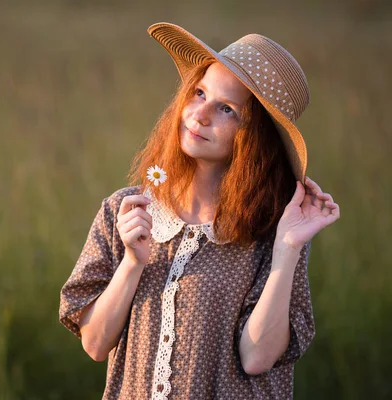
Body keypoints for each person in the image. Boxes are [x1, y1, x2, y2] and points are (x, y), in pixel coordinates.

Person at [59, 22, 340, 399]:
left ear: (255, 138)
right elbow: (94, 345)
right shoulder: (125, 211)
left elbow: (257, 357)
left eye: (226, 109)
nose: (200, 114)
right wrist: (132, 262)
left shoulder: (272, 232)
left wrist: (287, 249)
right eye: (198, 93)